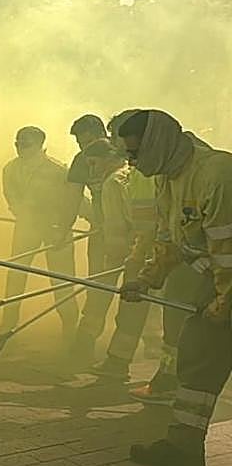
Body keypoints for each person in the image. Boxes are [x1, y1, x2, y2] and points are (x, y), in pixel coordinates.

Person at [119, 110, 232, 466]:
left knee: (203, 348)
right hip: (216, 278)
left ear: (156, 144)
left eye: (135, 153)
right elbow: (170, 240)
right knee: (198, 356)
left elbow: (228, 249)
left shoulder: (217, 173)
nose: (130, 162)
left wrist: (224, 302)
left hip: (226, 275)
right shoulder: (166, 176)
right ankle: (183, 447)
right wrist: (148, 277)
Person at [86, 126, 157, 383]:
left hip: (136, 254)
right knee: (153, 306)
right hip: (154, 250)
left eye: (94, 164)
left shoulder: (113, 183)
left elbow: (118, 227)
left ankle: (118, 362)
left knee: (130, 308)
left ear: (110, 158)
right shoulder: (134, 175)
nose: (93, 171)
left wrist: (115, 258)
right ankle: (151, 350)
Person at [0, 126, 79, 337]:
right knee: (16, 273)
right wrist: (23, 214)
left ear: (40, 144)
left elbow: (74, 199)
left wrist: (94, 218)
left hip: (56, 230)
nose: (20, 148)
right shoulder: (10, 169)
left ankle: (70, 328)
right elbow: (11, 196)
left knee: (62, 280)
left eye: (26, 144)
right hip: (26, 228)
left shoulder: (58, 170)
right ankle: (8, 324)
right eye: (17, 143)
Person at [65, 115, 114, 360]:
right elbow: (73, 198)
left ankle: (149, 337)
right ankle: (86, 339)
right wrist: (63, 227)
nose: (83, 149)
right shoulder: (80, 161)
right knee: (98, 285)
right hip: (101, 233)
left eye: (86, 141)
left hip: (137, 233)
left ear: (101, 132)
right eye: (79, 143)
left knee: (143, 285)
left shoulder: (126, 154)